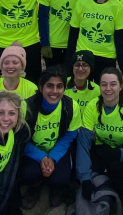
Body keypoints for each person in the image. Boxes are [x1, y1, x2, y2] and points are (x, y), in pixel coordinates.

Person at [76, 67, 123, 202]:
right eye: (103, 84)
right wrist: (84, 178)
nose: (108, 88)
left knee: (116, 169)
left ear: (121, 86)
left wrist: (119, 153)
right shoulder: (92, 106)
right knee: (82, 166)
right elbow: (83, 144)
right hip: (101, 151)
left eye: (113, 84)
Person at [21, 66, 82, 209]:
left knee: (61, 177)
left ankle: (56, 188)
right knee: (29, 174)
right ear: (41, 88)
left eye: (59, 86)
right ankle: (36, 187)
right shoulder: (26, 107)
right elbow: (21, 139)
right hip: (33, 149)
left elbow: (70, 135)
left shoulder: (71, 106)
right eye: (50, 86)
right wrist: (41, 157)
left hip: (58, 149)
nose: (55, 91)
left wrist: (53, 157)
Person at [66, 0, 123, 83]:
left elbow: (120, 40)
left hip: (106, 57)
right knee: (81, 91)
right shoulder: (82, 3)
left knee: (103, 93)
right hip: (83, 55)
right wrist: (68, 65)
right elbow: (73, 36)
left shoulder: (118, 7)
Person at [0, 41, 37, 123]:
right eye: (6, 63)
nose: (10, 66)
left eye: (15, 63)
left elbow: (34, 119)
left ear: (22, 66)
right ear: (1, 66)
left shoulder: (32, 89)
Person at [64, 50, 100, 114]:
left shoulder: (97, 90)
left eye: (85, 65)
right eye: (77, 65)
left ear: (90, 68)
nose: (80, 69)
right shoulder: (62, 84)